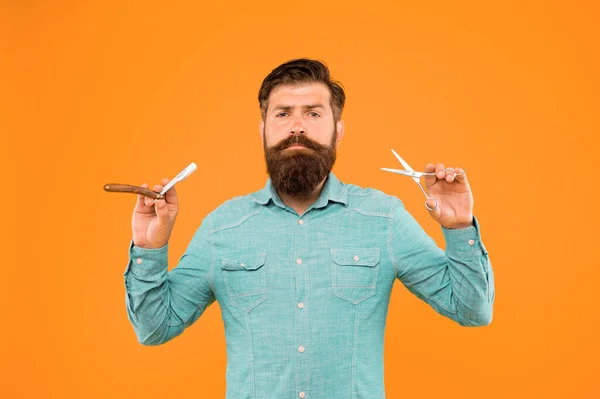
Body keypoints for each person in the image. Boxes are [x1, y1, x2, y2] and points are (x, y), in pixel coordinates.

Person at [124, 58, 495, 399]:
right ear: (263, 130)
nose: (297, 126)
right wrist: (149, 248)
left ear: (338, 131)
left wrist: (460, 226)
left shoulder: (384, 219)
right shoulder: (222, 228)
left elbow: (472, 310)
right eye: (283, 114)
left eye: (314, 114)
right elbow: (156, 329)